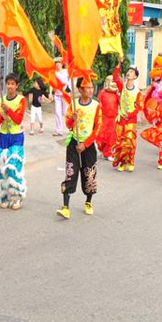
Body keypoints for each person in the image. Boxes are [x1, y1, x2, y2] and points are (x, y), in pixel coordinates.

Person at [58, 77, 102, 219]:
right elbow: (68, 124)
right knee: (71, 172)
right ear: (80, 89)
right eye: (87, 87)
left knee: (89, 174)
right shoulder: (73, 104)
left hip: (87, 145)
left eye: (91, 87)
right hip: (74, 143)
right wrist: (73, 119)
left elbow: (98, 128)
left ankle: (88, 202)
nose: (90, 90)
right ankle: (65, 207)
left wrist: (86, 144)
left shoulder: (96, 106)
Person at [0, 74, 27, 210]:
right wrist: (1, 116)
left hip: (16, 137)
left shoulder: (21, 100)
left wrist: (9, 110)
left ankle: (16, 198)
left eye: (12, 83)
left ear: (16, 86)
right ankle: (4, 196)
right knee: (2, 169)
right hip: (3, 137)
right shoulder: (0, 100)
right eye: (8, 83)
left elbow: (18, 119)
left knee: (13, 168)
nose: (10, 86)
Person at [111, 66, 142, 172]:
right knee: (120, 141)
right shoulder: (122, 87)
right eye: (128, 71)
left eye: (132, 72)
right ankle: (122, 163)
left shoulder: (137, 92)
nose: (129, 73)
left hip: (131, 120)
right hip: (121, 120)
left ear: (135, 76)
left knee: (130, 141)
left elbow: (139, 106)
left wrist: (129, 115)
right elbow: (115, 78)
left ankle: (131, 161)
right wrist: (119, 65)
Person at [96, 74, 121, 161]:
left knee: (111, 137)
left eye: (114, 82)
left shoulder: (116, 94)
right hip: (104, 118)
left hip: (113, 118)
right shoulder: (103, 92)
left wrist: (118, 94)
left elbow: (121, 103)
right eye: (111, 81)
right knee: (102, 136)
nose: (113, 83)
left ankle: (108, 153)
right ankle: (103, 150)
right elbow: (99, 104)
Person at [53, 58, 70, 137]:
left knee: (66, 112)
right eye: (56, 63)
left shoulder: (66, 72)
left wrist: (68, 88)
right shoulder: (54, 73)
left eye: (59, 62)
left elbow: (70, 80)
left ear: (62, 63)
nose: (57, 64)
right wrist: (50, 93)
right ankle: (59, 130)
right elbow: (51, 83)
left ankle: (71, 128)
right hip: (57, 95)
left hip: (65, 95)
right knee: (57, 112)